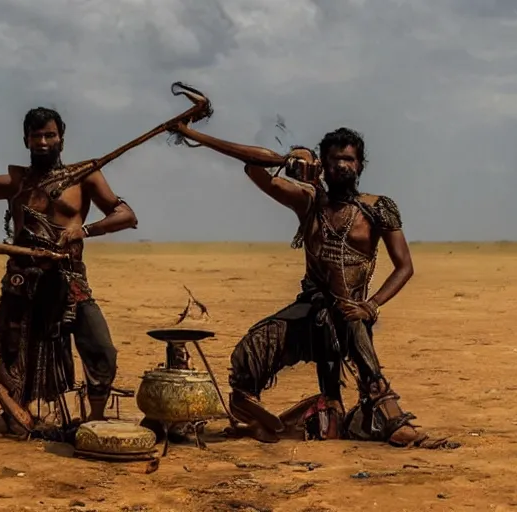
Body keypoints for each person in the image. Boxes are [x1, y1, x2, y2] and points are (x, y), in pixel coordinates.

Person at [173, 124, 447, 448]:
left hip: (350, 320)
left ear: (360, 165)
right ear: (323, 165)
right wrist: (289, 159)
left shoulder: (377, 208)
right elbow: (254, 170)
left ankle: (385, 410)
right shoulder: (309, 202)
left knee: (350, 318)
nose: (342, 166)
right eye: (334, 160)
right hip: (311, 311)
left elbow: (405, 266)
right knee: (252, 348)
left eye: (349, 159)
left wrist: (371, 305)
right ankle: (253, 409)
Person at [0, 107, 137, 433]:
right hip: (24, 279)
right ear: (26, 141)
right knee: (13, 348)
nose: (43, 142)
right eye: (36, 137)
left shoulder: (84, 176)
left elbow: (126, 215)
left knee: (100, 346)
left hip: (69, 277)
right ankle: (20, 412)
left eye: (50, 135)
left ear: (61, 138)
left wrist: (85, 231)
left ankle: (95, 418)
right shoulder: (17, 183)